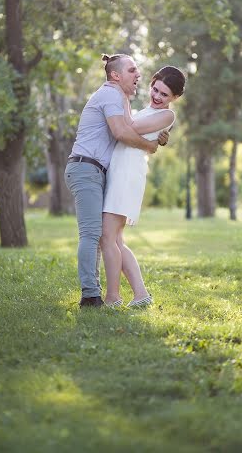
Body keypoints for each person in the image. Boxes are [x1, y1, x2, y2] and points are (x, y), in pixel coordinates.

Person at [64, 54, 169, 308]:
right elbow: (121, 132)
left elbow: (133, 126)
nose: (138, 75)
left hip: (98, 171)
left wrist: (157, 135)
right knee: (92, 235)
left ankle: (132, 294)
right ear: (116, 75)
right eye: (132, 70)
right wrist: (152, 146)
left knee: (109, 238)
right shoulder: (111, 94)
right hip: (86, 168)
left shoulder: (120, 98)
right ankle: (91, 296)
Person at [101, 66, 186, 308]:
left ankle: (113, 298)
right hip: (119, 171)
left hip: (128, 174)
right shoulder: (146, 110)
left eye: (165, 95)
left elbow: (130, 129)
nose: (157, 96)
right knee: (114, 238)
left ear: (175, 98)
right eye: (155, 89)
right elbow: (129, 128)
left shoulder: (167, 116)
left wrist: (121, 93)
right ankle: (140, 295)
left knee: (109, 236)